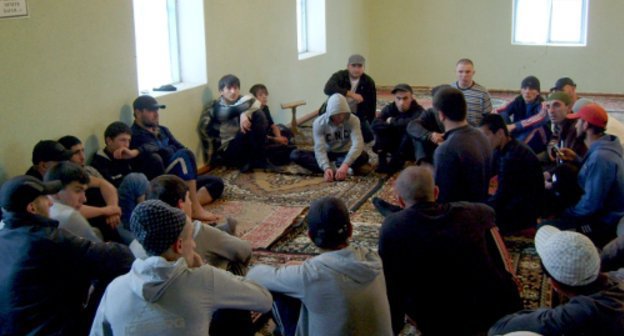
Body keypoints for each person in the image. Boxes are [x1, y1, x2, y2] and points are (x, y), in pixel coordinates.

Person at [89, 200, 272, 336]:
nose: (193, 245)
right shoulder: (202, 279)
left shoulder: (114, 288)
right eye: (191, 238)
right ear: (179, 245)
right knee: (233, 309)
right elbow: (264, 300)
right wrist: (204, 270)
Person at [379, 166, 522, 335]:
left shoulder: (393, 227)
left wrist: (394, 326)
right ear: (436, 192)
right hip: (490, 309)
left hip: (439, 320)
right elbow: (504, 262)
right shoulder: (478, 212)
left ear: (400, 201)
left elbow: (392, 286)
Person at [0, 175, 133, 335]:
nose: (50, 203)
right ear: (32, 208)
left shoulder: (4, 237)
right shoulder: (47, 239)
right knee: (112, 269)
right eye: (44, 199)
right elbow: (121, 256)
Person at [246, 196, 393, 336]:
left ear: (310, 236)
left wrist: (292, 269)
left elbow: (254, 275)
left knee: (280, 291)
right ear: (350, 230)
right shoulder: (372, 258)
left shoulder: (312, 274)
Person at [489, 225, 624, 335]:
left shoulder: (584, 311)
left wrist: (547, 315)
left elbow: (499, 329)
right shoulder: (614, 282)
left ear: (554, 283)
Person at [130, 94, 222, 222]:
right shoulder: (134, 135)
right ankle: (194, 208)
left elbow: (180, 147)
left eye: (157, 110)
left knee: (216, 183)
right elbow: (159, 154)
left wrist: (169, 150)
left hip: (180, 176)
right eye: (151, 111)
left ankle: (184, 206)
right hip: (164, 183)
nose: (156, 114)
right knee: (183, 155)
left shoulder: (162, 130)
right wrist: (170, 150)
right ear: (138, 112)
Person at [550, 104, 624, 246]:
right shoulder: (606, 146)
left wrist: (566, 213)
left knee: (548, 228)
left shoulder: (601, 158)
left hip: (604, 223)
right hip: (602, 215)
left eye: (578, 121)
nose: (576, 125)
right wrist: (577, 159)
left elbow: (590, 205)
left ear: (586, 126)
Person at [146, 174, 251, 272]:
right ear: (181, 204)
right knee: (234, 261)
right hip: (205, 283)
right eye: (188, 198)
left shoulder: (140, 242)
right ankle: (224, 234)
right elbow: (245, 251)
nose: (191, 203)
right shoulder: (196, 230)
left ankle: (222, 232)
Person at [479, 114, 545, 234]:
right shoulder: (503, 147)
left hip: (523, 212)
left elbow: (503, 196)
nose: (483, 140)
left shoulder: (513, 156)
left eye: (486, 135)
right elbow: (488, 173)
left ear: (499, 133)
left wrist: (480, 208)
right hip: (514, 201)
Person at [198, 74, 278, 173]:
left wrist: (244, 114)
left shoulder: (241, 100)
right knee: (246, 127)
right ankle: (246, 161)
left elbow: (256, 102)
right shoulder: (218, 107)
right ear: (221, 91)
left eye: (236, 88)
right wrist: (243, 112)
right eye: (229, 88)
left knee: (258, 114)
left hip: (243, 141)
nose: (233, 92)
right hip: (229, 148)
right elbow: (233, 111)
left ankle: (260, 159)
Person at [290, 93, 371, 182]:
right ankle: (335, 170)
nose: (340, 117)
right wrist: (325, 167)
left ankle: (339, 169)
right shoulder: (319, 123)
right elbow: (319, 148)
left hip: (345, 153)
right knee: (295, 154)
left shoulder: (353, 120)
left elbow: (358, 144)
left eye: (343, 114)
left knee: (363, 156)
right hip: (328, 153)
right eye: (337, 115)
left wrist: (345, 165)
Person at [432, 87, 493, 203]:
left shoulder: (445, 150)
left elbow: (443, 199)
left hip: (460, 216)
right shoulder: (482, 136)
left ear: (441, 115)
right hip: (481, 209)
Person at [58, 135, 123, 241]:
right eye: (76, 153)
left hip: (113, 217)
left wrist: (112, 209)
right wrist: (106, 211)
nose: (82, 157)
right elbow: (72, 210)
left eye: (83, 151)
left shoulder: (88, 170)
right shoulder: (62, 177)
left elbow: (107, 185)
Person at [89, 121, 151, 233]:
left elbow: (154, 147)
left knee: (151, 174)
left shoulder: (126, 153)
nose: (126, 145)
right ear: (109, 141)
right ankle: (146, 221)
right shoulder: (99, 162)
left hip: (135, 198)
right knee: (136, 178)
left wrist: (134, 153)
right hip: (118, 205)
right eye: (122, 140)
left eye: (128, 141)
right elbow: (110, 190)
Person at [371, 83, 424, 173]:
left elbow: (411, 124)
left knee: (409, 131)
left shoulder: (418, 110)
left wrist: (392, 121)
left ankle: (396, 162)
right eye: (398, 98)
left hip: (409, 148)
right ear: (394, 98)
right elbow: (375, 124)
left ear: (411, 98)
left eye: (405, 98)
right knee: (381, 130)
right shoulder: (391, 108)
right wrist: (393, 125)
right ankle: (382, 161)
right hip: (393, 143)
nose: (401, 102)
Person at [44, 161, 104, 242]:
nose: (84, 199)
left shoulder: (45, 207)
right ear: (56, 191)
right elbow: (99, 248)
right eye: (78, 191)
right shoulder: (68, 215)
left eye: (84, 191)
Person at [323, 54, 376, 143]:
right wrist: (350, 94)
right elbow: (327, 89)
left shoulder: (368, 81)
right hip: (336, 114)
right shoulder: (339, 76)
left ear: (364, 68)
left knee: (368, 137)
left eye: (359, 66)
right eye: (353, 66)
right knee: (333, 138)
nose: (356, 69)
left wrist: (370, 123)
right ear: (348, 66)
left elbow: (371, 104)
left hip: (356, 114)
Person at [498, 76, 551, 154]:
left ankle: (513, 148)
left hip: (537, 139)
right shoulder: (518, 100)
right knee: (501, 114)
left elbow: (541, 117)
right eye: (525, 88)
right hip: (518, 133)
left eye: (531, 89)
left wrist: (514, 126)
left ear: (538, 92)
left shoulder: (542, 104)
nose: (527, 91)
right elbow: (501, 109)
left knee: (536, 126)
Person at [249, 83, 296, 165]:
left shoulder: (265, 108)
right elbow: (258, 135)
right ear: (254, 98)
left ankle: (286, 149)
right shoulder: (252, 112)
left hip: (269, 135)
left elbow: (273, 125)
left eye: (265, 94)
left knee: (285, 131)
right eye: (260, 95)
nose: (264, 97)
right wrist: (275, 139)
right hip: (261, 140)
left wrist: (279, 136)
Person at [406, 84, 449, 165]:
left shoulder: (458, 112)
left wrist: (445, 136)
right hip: (434, 149)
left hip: (453, 147)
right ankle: (425, 167)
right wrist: (431, 135)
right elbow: (412, 126)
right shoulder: (430, 113)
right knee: (419, 136)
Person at [544, 91, 587, 163]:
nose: (551, 111)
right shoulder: (559, 124)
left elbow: (569, 162)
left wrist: (549, 173)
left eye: (556, 105)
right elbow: (554, 139)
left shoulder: (575, 128)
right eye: (548, 106)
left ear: (569, 107)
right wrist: (551, 147)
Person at [450, 58, 493, 126]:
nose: (464, 75)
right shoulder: (449, 90)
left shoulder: (482, 92)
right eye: (460, 72)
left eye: (467, 72)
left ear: (473, 73)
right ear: (455, 72)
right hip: (454, 129)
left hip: (475, 131)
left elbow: (487, 116)